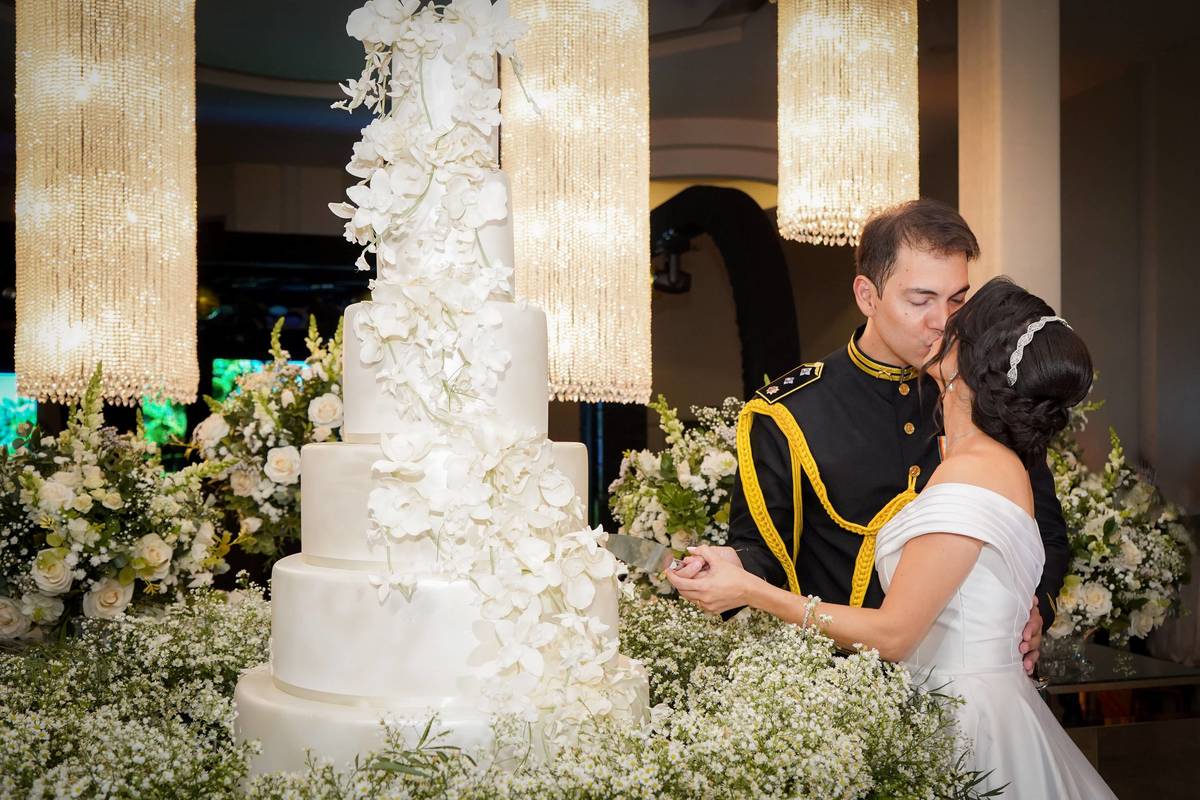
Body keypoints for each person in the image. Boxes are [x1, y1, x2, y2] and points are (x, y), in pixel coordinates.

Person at [669, 276, 1115, 797]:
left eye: (957, 314)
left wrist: (753, 594)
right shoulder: (996, 461)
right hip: (982, 701)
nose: (940, 323)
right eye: (924, 300)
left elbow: (895, 635)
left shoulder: (968, 473)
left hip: (961, 725)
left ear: (969, 363)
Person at [672, 199, 1068, 673]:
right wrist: (732, 568)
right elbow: (765, 552)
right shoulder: (788, 412)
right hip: (844, 693)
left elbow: (1043, 530)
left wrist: (1037, 608)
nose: (943, 321)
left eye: (958, 300)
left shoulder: (991, 393)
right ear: (867, 295)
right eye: (920, 301)